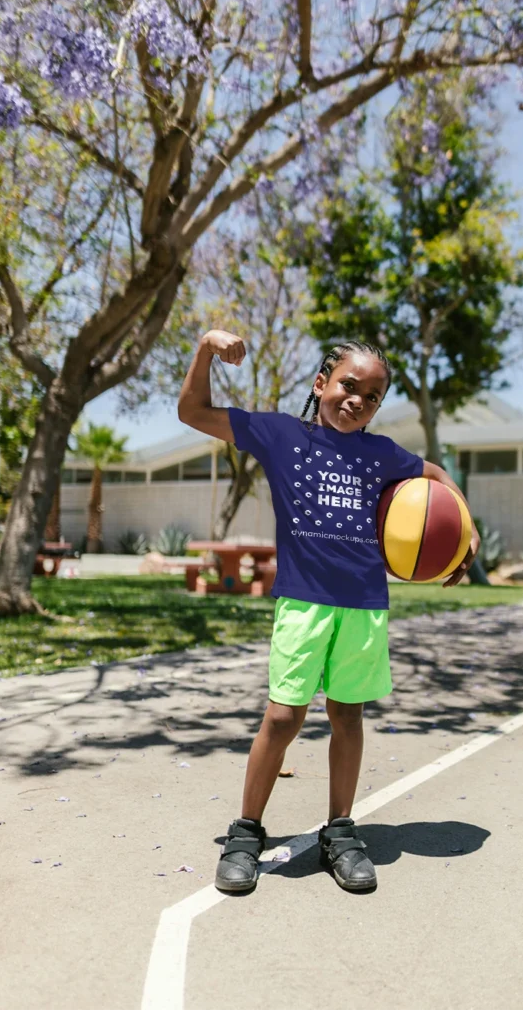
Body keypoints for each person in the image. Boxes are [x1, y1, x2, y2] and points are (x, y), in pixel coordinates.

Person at [177, 328, 480, 893]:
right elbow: (192, 410)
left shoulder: (384, 454)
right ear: (321, 383)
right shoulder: (280, 434)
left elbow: (436, 478)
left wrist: (466, 530)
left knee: (347, 716)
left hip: (364, 606)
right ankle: (247, 832)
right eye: (348, 385)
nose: (358, 401)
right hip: (303, 602)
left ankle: (339, 831)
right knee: (284, 717)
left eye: (372, 395)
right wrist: (204, 349)